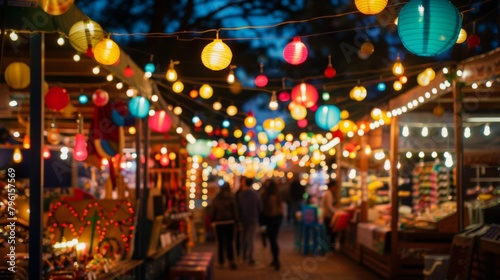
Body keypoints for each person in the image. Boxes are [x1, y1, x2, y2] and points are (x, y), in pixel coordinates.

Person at [210, 182, 238, 269]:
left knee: (220, 243)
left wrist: (213, 220)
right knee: (229, 242)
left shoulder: (216, 198)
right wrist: (237, 221)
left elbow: (213, 211)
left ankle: (221, 261)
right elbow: (235, 211)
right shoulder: (231, 198)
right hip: (229, 222)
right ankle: (231, 260)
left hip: (219, 223)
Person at [236, 176, 262, 265]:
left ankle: (243, 256)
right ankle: (250, 257)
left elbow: (238, 207)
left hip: (243, 219)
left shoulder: (241, 195)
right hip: (253, 218)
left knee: (243, 238)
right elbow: (260, 207)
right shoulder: (255, 194)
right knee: (251, 239)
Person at [261, 179, 283, 270]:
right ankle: (275, 259)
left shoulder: (268, 197)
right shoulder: (278, 196)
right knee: (273, 240)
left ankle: (276, 260)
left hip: (270, 220)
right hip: (277, 220)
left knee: (272, 240)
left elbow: (267, 211)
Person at [320, 180, 339, 252]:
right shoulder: (329, 194)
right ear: (332, 187)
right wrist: (337, 211)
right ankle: (330, 248)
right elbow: (329, 207)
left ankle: (330, 248)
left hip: (327, 215)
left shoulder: (328, 193)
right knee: (330, 232)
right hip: (328, 216)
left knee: (330, 232)